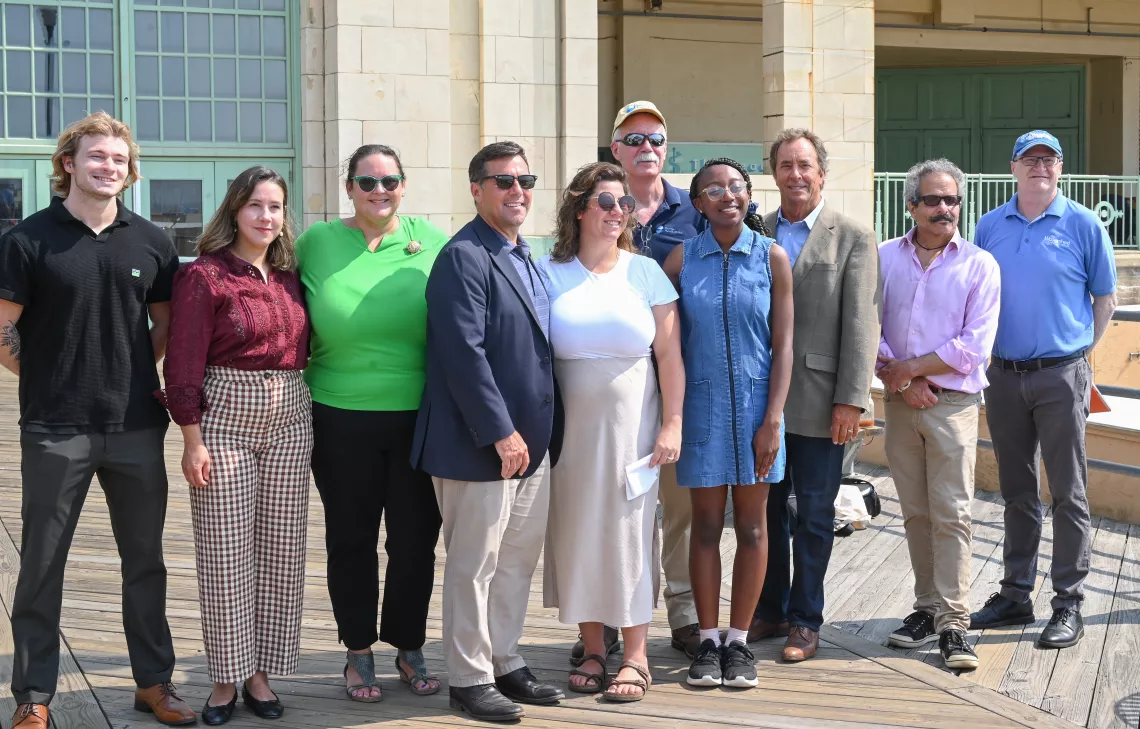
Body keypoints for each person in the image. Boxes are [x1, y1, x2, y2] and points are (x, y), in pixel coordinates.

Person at [0, 112, 196, 728]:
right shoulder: (29, 239)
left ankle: (153, 683)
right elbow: (3, 327)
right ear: (68, 164)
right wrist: (44, 376)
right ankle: (34, 695)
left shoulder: (151, 240)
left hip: (137, 422)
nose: (107, 167)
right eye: (96, 157)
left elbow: (163, 324)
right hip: (55, 427)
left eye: (117, 159)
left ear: (129, 170)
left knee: (145, 560)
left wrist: (132, 367)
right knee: (41, 562)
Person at [412, 141, 565, 722]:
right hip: (481, 445)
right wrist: (500, 433)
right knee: (474, 564)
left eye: (525, 179)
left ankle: (504, 658)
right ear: (476, 190)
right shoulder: (464, 256)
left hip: (534, 444)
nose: (517, 190)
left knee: (516, 561)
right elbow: (463, 354)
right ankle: (469, 677)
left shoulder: (526, 255)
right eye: (503, 181)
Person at [296, 144, 448, 701]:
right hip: (337, 415)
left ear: (404, 185)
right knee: (351, 538)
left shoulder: (431, 240)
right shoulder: (315, 243)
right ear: (349, 188)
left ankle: (409, 645)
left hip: (418, 417)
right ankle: (357, 652)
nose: (378, 191)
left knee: (414, 540)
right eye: (367, 182)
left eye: (389, 181)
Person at [160, 166, 311, 724]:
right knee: (225, 553)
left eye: (274, 207)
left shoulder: (291, 275)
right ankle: (225, 678)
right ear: (233, 211)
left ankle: (260, 674)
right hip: (224, 417)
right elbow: (183, 360)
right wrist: (191, 439)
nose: (265, 217)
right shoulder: (204, 276)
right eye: (254, 206)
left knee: (281, 552)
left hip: (292, 417)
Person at [538, 162, 682, 703]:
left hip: (636, 431)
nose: (617, 211)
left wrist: (673, 422)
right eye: (604, 201)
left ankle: (637, 654)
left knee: (631, 536)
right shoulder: (547, 271)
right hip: (569, 433)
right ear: (579, 208)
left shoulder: (645, 272)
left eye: (623, 203)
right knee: (578, 532)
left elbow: (670, 357)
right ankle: (593, 647)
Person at [969, 130, 1117, 649]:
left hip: (1061, 375)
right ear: (1013, 167)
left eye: (1048, 159)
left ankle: (1068, 601)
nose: (1039, 167)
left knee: (1068, 491)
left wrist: (1075, 354)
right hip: (1004, 375)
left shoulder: (1083, 224)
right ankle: (1015, 593)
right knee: (1015, 490)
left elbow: (1104, 298)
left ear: (1060, 168)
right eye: (1029, 159)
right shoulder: (989, 226)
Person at [662, 158, 793, 688]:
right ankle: (708, 640)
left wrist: (774, 419)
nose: (727, 195)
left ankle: (739, 643)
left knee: (756, 525)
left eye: (736, 186)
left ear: (749, 196)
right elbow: (661, 342)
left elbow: (784, 346)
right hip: (700, 408)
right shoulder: (680, 259)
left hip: (760, 408)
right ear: (698, 203)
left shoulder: (772, 257)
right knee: (706, 527)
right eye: (713, 189)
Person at [751, 128, 880, 662]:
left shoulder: (851, 234)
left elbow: (862, 323)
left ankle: (806, 619)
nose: (795, 175)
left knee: (816, 514)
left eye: (805, 165)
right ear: (774, 172)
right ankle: (773, 607)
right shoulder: (754, 228)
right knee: (766, 510)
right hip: (762, 400)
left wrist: (851, 400)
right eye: (785, 165)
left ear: (821, 173)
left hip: (824, 400)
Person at [876, 159, 1001, 670]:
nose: (944, 208)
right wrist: (905, 379)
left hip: (952, 405)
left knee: (953, 513)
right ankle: (925, 609)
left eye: (951, 200)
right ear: (912, 206)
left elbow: (974, 347)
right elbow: (870, 327)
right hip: (901, 402)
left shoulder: (980, 265)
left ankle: (954, 623)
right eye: (933, 200)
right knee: (915, 512)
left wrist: (912, 372)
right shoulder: (884, 258)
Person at [594, 98, 703, 661]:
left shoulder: (694, 210)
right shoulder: (598, 206)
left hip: (681, 372)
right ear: (615, 148)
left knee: (677, 502)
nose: (646, 149)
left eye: (656, 139)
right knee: (611, 500)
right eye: (634, 139)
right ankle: (607, 614)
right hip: (616, 381)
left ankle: (681, 609)